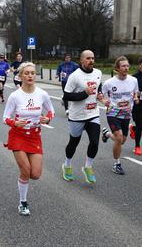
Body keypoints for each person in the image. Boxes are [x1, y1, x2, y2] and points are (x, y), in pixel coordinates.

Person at [3, 62, 55, 216]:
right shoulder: (15, 96)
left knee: (36, 174)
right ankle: (23, 203)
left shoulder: (42, 94)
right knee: (26, 171)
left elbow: (51, 111)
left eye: (33, 73)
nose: (30, 75)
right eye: (27, 73)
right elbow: (5, 117)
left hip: (34, 136)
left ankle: (23, 182)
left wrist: (48, 119)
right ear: (20, 76)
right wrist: (14, 122)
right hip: (18, 135)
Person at [61, 50, 103, 184]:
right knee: (74, 143)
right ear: (82, 60)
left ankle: (88, 167)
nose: (91, 61)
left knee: (95, 142)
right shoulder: (74, 76)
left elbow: (98, 85)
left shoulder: (98, 73)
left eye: (93, 58)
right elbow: (66, 96)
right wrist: (84, 94)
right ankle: (67, 165)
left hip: (93, 113)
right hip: (77, 116)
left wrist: (100, 94)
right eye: (88, 58)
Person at [101, 56, 139, 175]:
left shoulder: (133, 80)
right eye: (123, 66)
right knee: (119, 136)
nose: (126, 68)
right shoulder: (109, 83)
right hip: (113, 112)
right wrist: (104, 101)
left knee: (121, 140)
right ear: (117, 68)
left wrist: (136, 97)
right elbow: (100, 95)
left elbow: (135, 92)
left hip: (126, 113)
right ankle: (116, 164)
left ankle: (107, 134)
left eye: (127, 66)